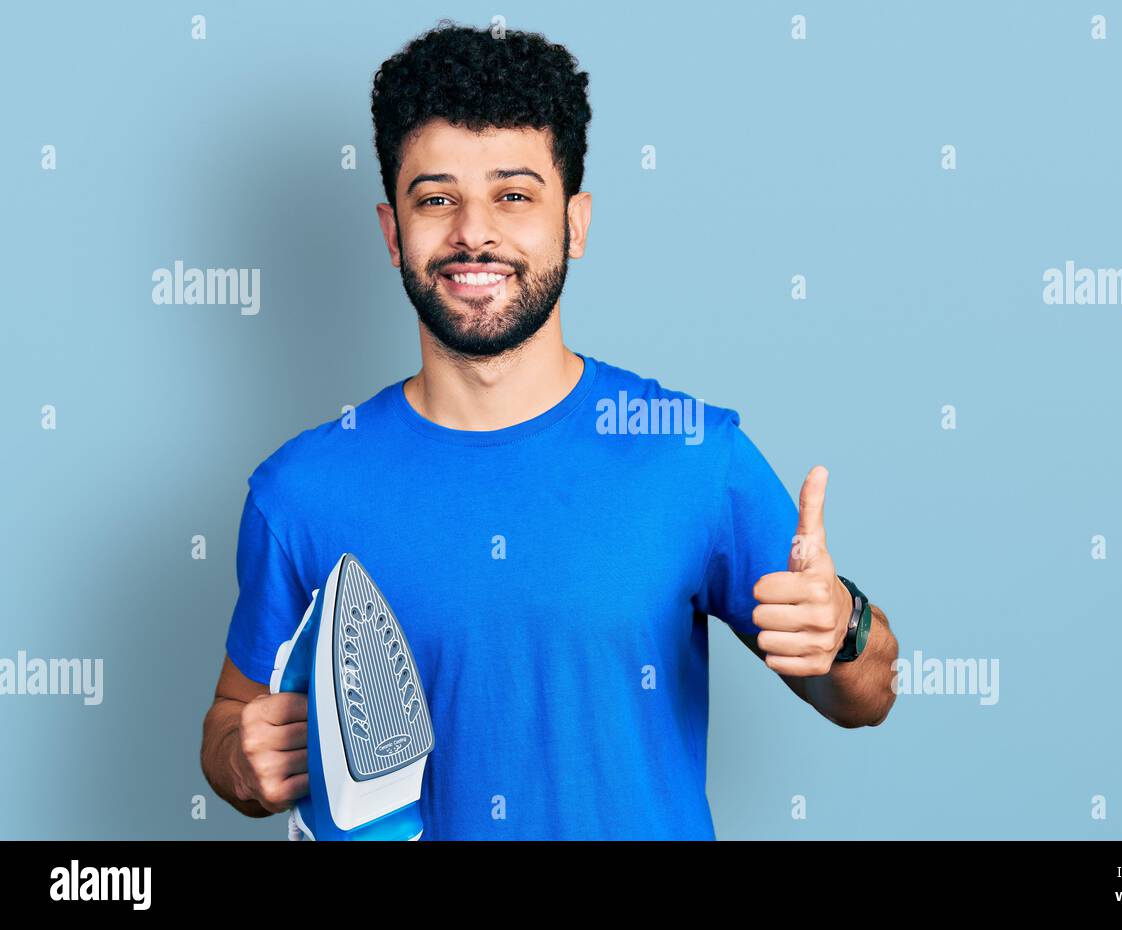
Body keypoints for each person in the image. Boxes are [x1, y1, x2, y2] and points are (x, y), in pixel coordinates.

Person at [199, 19, 897, 840]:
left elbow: (869, 695)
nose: (474, 232)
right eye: (437, 199)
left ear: (576, 222)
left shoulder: (690, 455)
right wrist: (240, 761)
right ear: (394, 233)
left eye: (515, 194)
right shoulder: (302, 492)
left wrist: (842, 625)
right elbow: (230, 721)